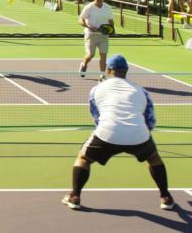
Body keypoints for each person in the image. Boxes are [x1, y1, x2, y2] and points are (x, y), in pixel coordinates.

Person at [62, 54, 174, 212]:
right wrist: (141, 136)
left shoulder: (96, 89)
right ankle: (166, 198)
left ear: (108, 70)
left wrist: (110, 133)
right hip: (139, 135)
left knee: (83, 158)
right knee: (154, 158)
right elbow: (150, 120)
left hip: (107, 133)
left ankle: (74, 196)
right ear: (126, 71)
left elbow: (96, 116)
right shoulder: (141, 91)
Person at [78, 0, 115, 80]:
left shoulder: (108, 8)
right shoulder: (88, 7)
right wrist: (89, 27)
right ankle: (84, 64)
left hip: (103, 35)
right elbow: (80, 20)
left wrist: (112, 30)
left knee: (103, 54)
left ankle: (102, 75)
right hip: (91, 34)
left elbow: (111, 21)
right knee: (90, 55)